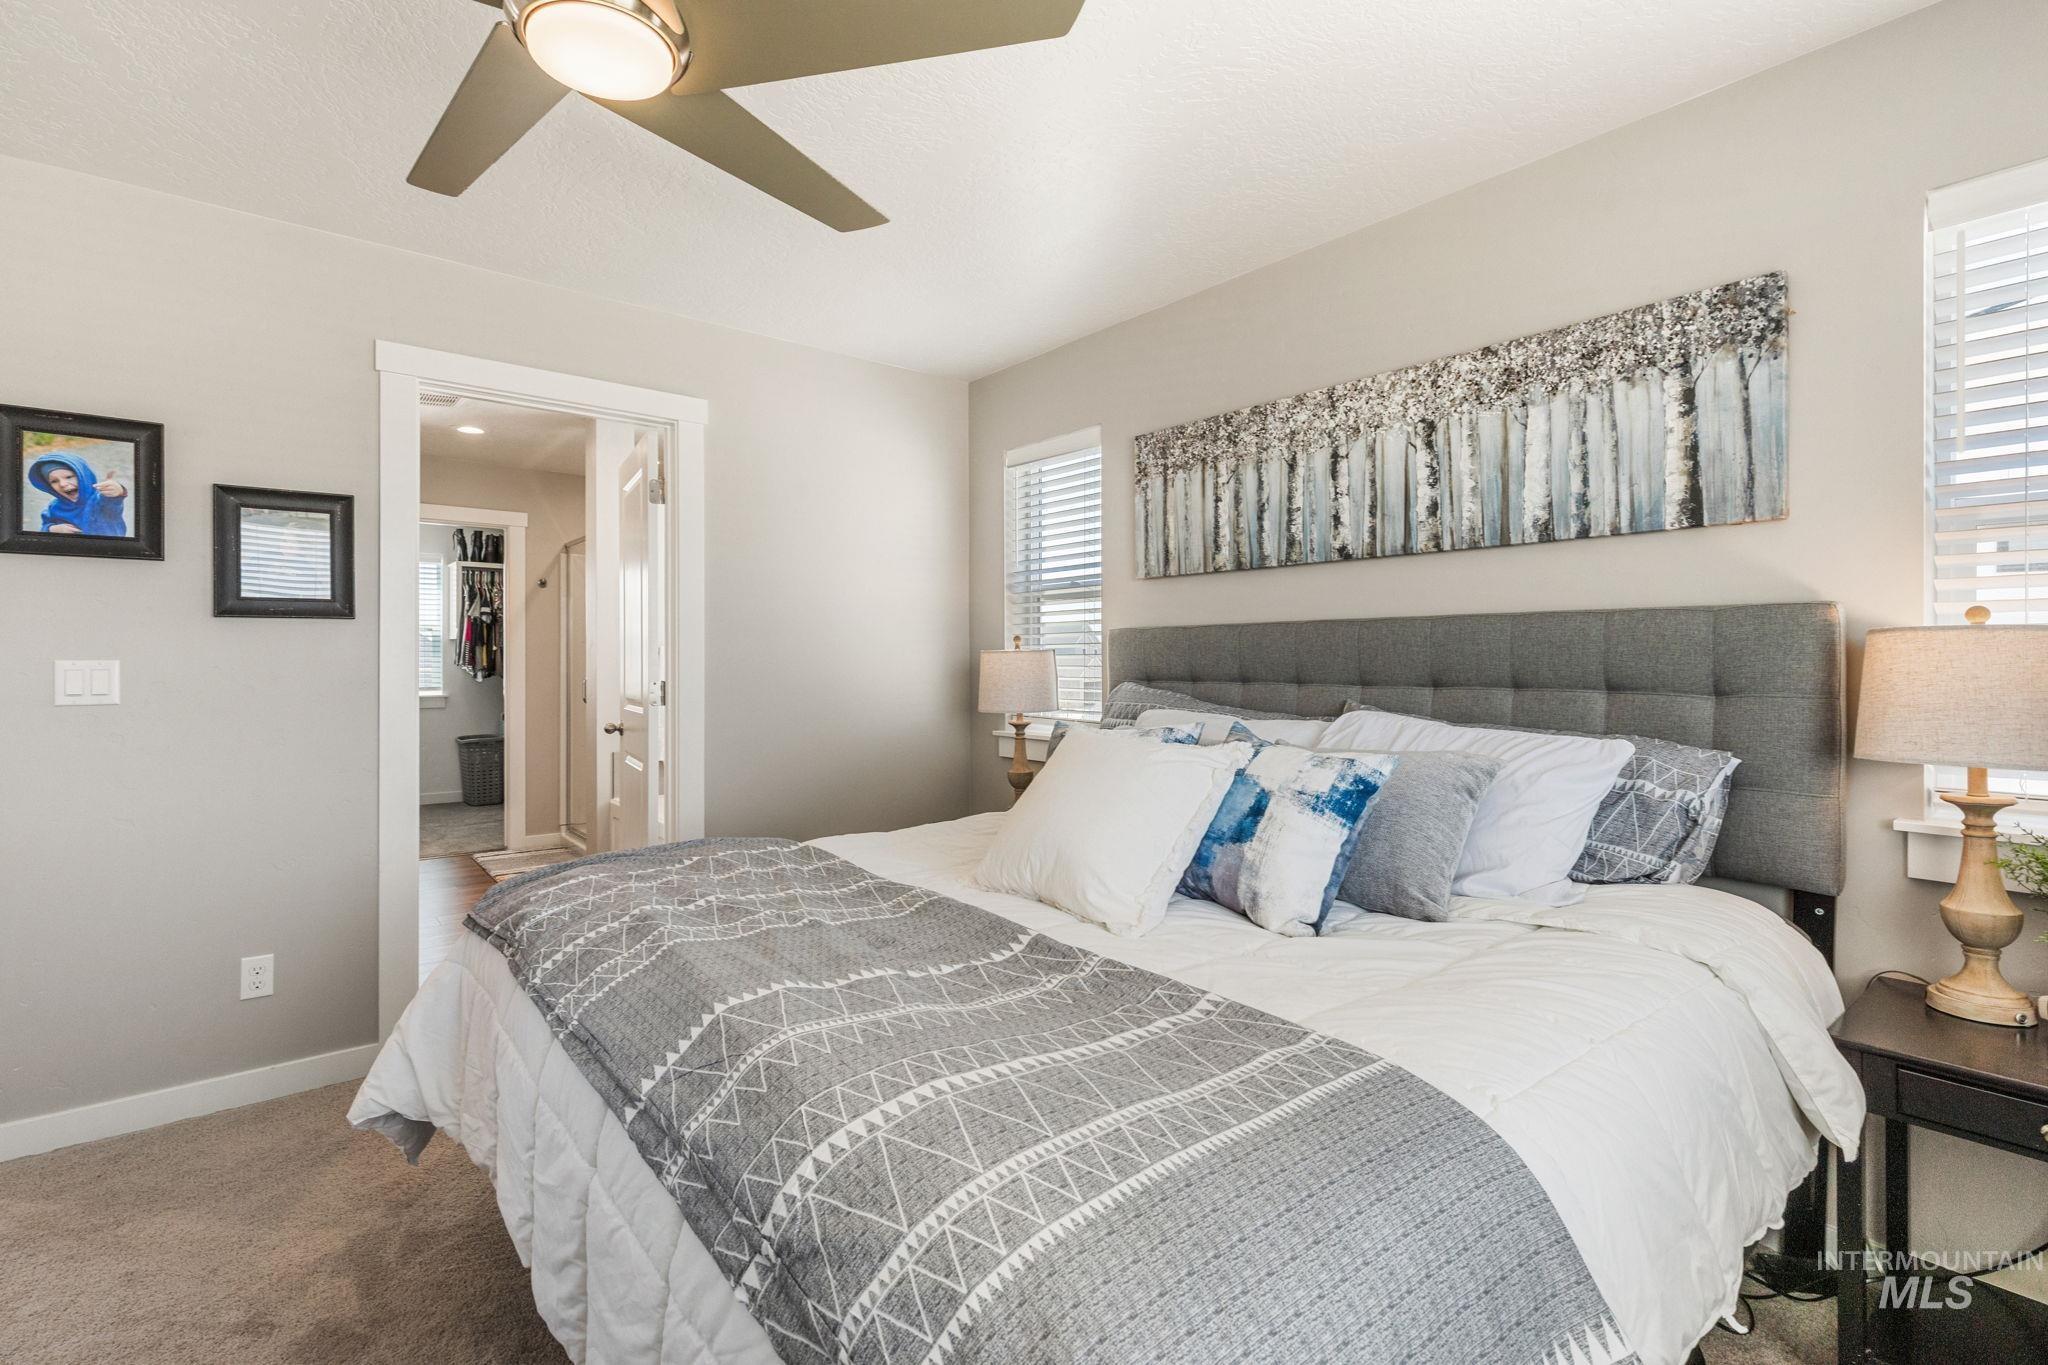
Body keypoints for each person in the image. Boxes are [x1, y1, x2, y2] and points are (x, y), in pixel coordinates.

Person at [29, 452, 127, 537]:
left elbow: (113, 504)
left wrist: (117, 491)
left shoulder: (100, 500)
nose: (62, 484)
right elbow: (45, 526)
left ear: (84, 476)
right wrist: (52, 529)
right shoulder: (54, 507)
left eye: (69, 477)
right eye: (54, 481)